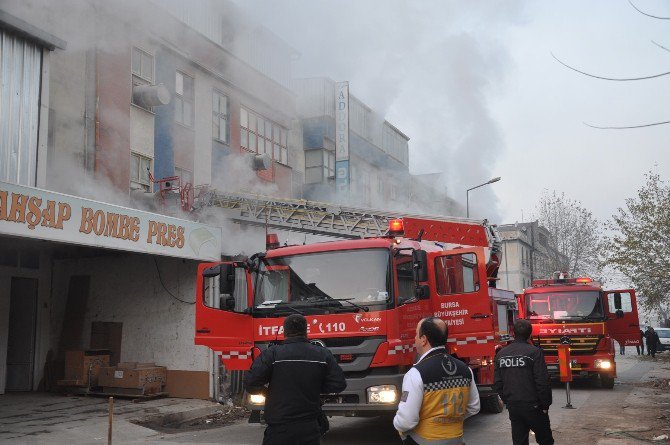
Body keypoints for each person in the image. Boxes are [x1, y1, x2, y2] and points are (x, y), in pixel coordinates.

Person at [244, 314, 346, 445]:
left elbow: (250, 383)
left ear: (285, 332)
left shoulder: (272, 354)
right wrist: (314, 389)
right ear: (306, 331)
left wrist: (268, 392)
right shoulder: (322, 354)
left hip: (279, 428)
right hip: (309, 427)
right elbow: (339, 384)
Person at [393, 317, 480, 445]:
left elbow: (406, 421)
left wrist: (396, 423)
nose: (414, 339)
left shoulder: (415, 374)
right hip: (457, 440)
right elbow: (474, 407)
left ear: (423, 340)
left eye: (416, 334)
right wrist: (450, 420)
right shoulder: (466, 370)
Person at [493, 319, 554, 445]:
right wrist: (545, 405)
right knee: (545, 440)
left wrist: (508, 401)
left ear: (513, 333)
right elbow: (542, 381)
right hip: (534, 406)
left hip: (514, 407)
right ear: (530, 334)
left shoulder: (501, 354)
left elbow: (498, 383)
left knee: (519, 442)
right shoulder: (534, 352)